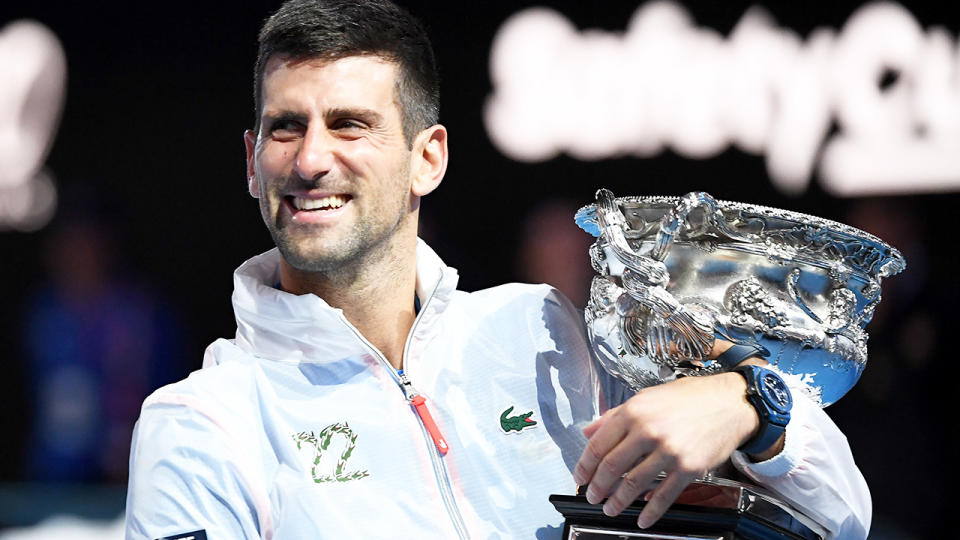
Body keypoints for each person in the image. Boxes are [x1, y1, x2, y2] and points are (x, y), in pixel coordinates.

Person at [125, 1, 871, 538]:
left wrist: (750, 403)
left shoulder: (545, 333)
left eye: (350, 124)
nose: (312, 160)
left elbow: (841, 514)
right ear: (252, 164)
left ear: (429, 158)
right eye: (285, 128)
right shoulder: (205, 423)